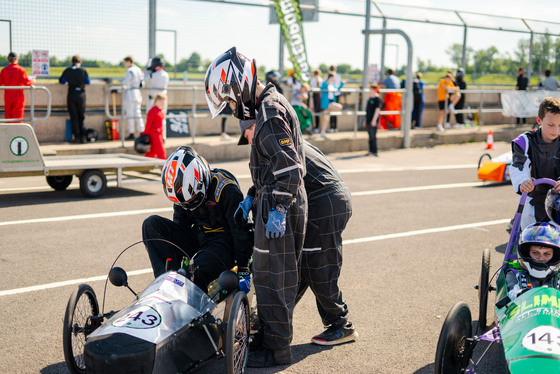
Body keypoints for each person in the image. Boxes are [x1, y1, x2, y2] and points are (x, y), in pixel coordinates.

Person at [205, 47, 306, 368]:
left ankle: (276, 349)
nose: (233, 108)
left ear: (239, 87)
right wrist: (253, 193)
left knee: (273, 280)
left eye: (230, 100)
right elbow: (272, 167)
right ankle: (271, 337)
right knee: (267, 276)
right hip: (272, 200)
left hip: (280, 207)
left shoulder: (269, 115)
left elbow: (289, 171)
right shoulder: (266, 108)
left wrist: (276, 209)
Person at [236, 121, 358, 346]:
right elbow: (269, 180)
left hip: (325, 200)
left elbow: (285, 178)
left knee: (317, 267)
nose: (250, 142)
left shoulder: (273, 139)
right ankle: (269, 318)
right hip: (319, 199)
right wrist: (252, 195)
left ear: (255, 125)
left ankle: (341, 325)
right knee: (297, 266)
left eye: (249, 135)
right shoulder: (274, 139)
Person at [142, 145, 253, 293]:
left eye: (192, 202)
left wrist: (243, 268)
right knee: (151, 224)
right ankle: (166, 282)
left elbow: (240, 232)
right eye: (184, 204)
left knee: (194, 275)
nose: (188, 206)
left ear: (202, 181)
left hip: (222, 244)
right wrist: (177, 260)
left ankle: (188, 284)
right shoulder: (182, 195)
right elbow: (180, 225)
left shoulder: (226, 190)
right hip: (198, 237)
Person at [510, 96, 560, 229]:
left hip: (558, 200)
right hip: (533, 197)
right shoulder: (525, 141)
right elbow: (518, 165)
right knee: (529, 236)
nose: (556, 130)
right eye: (551, 125)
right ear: (539, 120)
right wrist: (523, 181)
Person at [505, 222, 560, 302]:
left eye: (547, 254)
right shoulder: (513, 274)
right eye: (535, 253)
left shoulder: (558, 276)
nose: (541, 258)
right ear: (526, 252)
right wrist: (525, 294)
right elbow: (512, 293)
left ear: (555, 255)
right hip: (522, 312)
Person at [59, 55, 90, 143]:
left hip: (71, 94)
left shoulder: (68, 70)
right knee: (81, 116)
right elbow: (88, 81)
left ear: (71, 62)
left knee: (74, 117)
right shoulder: (83, 71)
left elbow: (62, 81)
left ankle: (76, 137)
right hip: (81, 95)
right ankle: (83, 137)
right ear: (80, 62)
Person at [0, 52, 35, 123]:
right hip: (18, 96)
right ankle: (17, 133)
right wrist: (33, 81)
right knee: (18, 118)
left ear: (8, 60)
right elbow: (27, 82)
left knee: (8, 117)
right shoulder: (20, 69)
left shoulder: (3, 70)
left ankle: (9, 133)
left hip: (8, 96)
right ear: (16, 59)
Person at [122, 56, 144, 140]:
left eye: (125, 62)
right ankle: (141, 131)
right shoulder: (138, 69)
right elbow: (142, 83)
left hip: (130, 94)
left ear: (128, 61)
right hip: (137, 93)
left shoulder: (129, 71)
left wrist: (119, 90)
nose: (125, 64)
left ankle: (132, 133)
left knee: (130, 114)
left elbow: (126, 84)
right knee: (138, 113)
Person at [141, 93, 167, 160]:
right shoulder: (153, 111)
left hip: (159, 134)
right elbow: (148, 123)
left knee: (153, 152)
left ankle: (144, 164)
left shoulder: (160, 111)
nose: (163, 103)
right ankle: (164, 167)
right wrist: (145, 134)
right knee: (161, 152)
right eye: (162, 101)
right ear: (157, 100)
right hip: (154, 134)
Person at [320, 73, 343, 139]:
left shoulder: (332, 84)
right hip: (326, 103)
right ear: (331, 77)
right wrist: (328, 81)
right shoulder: (325, 83)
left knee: (326, 119)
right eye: (334, 77)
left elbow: (337, 90)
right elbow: (322, 88)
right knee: (326, 118)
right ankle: (323, 132)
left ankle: (323, 132)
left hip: (331, 102)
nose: (335, 79)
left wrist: (342, 84)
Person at [363, 84, 381, 156]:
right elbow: (367, 110)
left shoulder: (377, 99)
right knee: (369, 136)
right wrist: (365, 120)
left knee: (373, 136)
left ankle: (375, 151)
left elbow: (377, 110)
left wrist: (374, 120)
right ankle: (370, 151)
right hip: (368, 119)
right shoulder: (369, 98)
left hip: (373, 120)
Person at [328, 65, 343, 132]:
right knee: (333, 112)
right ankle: (334, 127)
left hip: (334, 95)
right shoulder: (338, 76)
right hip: (334, 95)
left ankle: (333, 127)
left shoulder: (329, 76)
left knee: (333, 112)